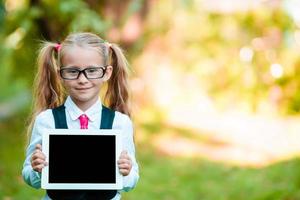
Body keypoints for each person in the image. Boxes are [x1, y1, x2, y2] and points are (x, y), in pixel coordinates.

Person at [22, 32, 139, 200]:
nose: (82, 79)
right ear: (60, 74)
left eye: (92, 70)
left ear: (107, 72)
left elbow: (131, 180)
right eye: (72, 71)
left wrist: (126, 172)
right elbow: (29, 175)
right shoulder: (47, 121)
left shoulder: (120, 123)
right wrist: (36, 168)